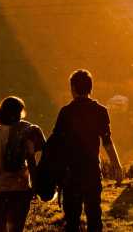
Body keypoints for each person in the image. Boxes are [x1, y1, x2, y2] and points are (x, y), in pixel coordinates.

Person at [52, 69, 123, 232]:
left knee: (72, 219)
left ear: (73, 88)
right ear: (91, 88)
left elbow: (56, 143)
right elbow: (107, 141)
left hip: (71, 171)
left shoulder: (66, 112)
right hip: (91, 169)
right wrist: (116, 165)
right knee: (94, 215)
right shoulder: (100, 110)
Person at [0, 96, 45, 232]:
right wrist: (34, 185)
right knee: (17, 229)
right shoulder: (26, 132)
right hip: (20, 189)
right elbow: (31, 161)